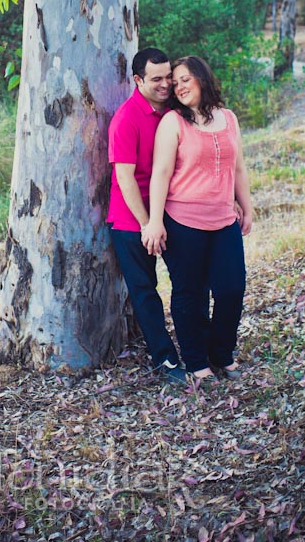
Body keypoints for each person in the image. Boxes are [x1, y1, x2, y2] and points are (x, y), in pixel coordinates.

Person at [144, 55, 253, 384]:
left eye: (184, 80)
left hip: (223, 220)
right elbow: (160, 174)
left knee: (232, 289)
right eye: (175, 84)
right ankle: (196, 362)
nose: (178, 88)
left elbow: (238, 168)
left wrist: (247, 207)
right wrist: (154, 221)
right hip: (182, 221)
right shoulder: (173, 123)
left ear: (203, 79)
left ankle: (222, 354)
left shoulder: (229, 118)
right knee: (189, 293)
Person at [107, 47, 187, 384]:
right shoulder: (126, 118)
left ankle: (197, 349)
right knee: (145, 290)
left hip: (170, 211)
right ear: (138, 80)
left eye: (168, 76)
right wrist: (146, 224)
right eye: (156, 79)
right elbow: (125, 178)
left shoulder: (174, 111)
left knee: (187, 283)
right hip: (131, 220)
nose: (165, 84)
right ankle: (165, 359)